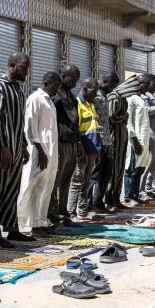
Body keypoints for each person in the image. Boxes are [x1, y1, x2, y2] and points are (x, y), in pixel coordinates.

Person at [0, 52, 33, 247]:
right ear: (12, 65)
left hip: (16, 148)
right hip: (3, 151)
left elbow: (19, 122)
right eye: (23, 67)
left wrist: (23, 145)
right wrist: (3, 147)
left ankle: (12, 229)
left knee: (12, 190)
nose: (26, 71)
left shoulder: (18, 89)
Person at [17, 72, 62, 237]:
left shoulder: (50, 101)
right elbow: (30, 127)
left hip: (51, 150)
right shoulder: (35, 98)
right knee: (34, 186)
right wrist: (40, 151)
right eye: (55, 85)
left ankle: (41, 222)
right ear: (46, 82)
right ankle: (32, 225)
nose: (57, 89)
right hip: (39, 151)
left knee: (47, 187)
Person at [48, 64, 81, 227]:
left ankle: (63, 212)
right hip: (60, 143)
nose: (75, 82)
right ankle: (52, 215)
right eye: (73, 78)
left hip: (72, 142)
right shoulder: (56, 95)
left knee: (66, 181)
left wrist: (78, 143)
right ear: (63, 76)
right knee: (55, 181)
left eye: (77, 79)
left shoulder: (70, 95)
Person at [68, 78, 102, 220]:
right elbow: (76, 128)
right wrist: (79, 148)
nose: (96, 94)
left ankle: (82, 211)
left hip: (93, 148)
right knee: (77, 181)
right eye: (93, 91)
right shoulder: (78, 104)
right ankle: (71, 212)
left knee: (87, 182)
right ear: (85, 89)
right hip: (83, 149)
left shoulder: (91, 104)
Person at [106, 75, 139, 210]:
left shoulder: (123, 98)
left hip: (122, 138)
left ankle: (116, 198)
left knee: (119, 169)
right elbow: (110, 117)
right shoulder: (113, 97)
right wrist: (123, 117)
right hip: (114, 138)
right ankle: (109, 200)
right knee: (113, 170)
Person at [88, 73, 118, 214]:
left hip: (106, 140)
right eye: (111, 85)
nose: (112, 89)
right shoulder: (96, 97)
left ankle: (98, 202)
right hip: (98, 142)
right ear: (105, 81)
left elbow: (105, 122)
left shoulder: (104, 96)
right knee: (95, 175)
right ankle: (90, 204)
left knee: (105, 174)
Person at [123, 74, 151, 205]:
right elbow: (128, 121)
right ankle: (128, 196)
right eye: (144, 83)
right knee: (131, 170)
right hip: (134, 141)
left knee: (140, 169)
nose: (147, 85)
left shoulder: (142, 99)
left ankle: (135, 194)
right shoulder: (131, 98)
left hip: (143, 139)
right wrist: (134, 140)